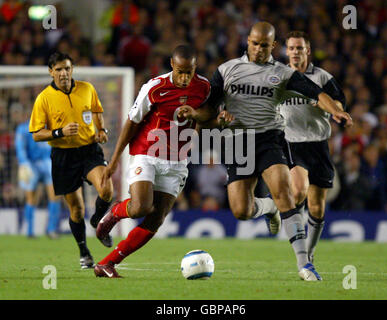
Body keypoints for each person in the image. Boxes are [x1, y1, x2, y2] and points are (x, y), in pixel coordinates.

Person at [199, 22, 353, 281]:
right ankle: (269, 208)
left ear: (273, 46)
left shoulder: (282, 73)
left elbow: (317, 93)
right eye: (255, 43)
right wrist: (205, 116)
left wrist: (336, 111)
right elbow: (208, 108)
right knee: (241, 211)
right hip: (238, 143)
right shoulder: (227, 70)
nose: (259, 49)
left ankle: (305, 264)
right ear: (247, 41)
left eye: (264, 45)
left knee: (285, 191)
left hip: (271, 138)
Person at [93, 44, 211, 278]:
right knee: (141, 207)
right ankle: (114, 214)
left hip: (177, 160)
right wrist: (115, 159)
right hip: (147, 152)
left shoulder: (204, 87)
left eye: (190, 72)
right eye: (180, 71)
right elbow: (132, 121)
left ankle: (107, 263)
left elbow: (208, 113)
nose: (185, 77)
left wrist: (196, 120)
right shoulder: (155, 87)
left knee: (156, 219)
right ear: (172, 66)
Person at [29, 52, 114, 269]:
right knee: (76, 210)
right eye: (58, 69)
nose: (63, 73)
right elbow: (37, 133)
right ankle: (84, 251)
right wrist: (60, 132)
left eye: (67, 68)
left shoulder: (87, 88)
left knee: (107, 190)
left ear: (72, 69)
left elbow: (96, 110)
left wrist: (101, 129)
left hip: (89, 150)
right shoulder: (44, 98)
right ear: (51, 72)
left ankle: (97, 222)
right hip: (63, 156)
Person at [279, 31, 347, 263]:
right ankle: (298, 249)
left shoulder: (322, 78)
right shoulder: (279, 77)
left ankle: (309, 252)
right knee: (298, 190)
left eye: (300, 48)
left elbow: (339, 102)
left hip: (318, 145)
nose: (295, 52)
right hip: (291, 144)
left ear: (308, 50)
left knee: (316, 207)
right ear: (286, 51)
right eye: (291, 48)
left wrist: (332, 109)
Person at [15, 115, 61, 239]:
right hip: (31, 166)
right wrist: (24, 163)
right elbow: (20, 148)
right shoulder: (24, 129)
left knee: (55, 195)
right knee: (31, 198)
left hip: (48, 164)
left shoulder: (52, 128)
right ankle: (29, 231)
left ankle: (51, 230)